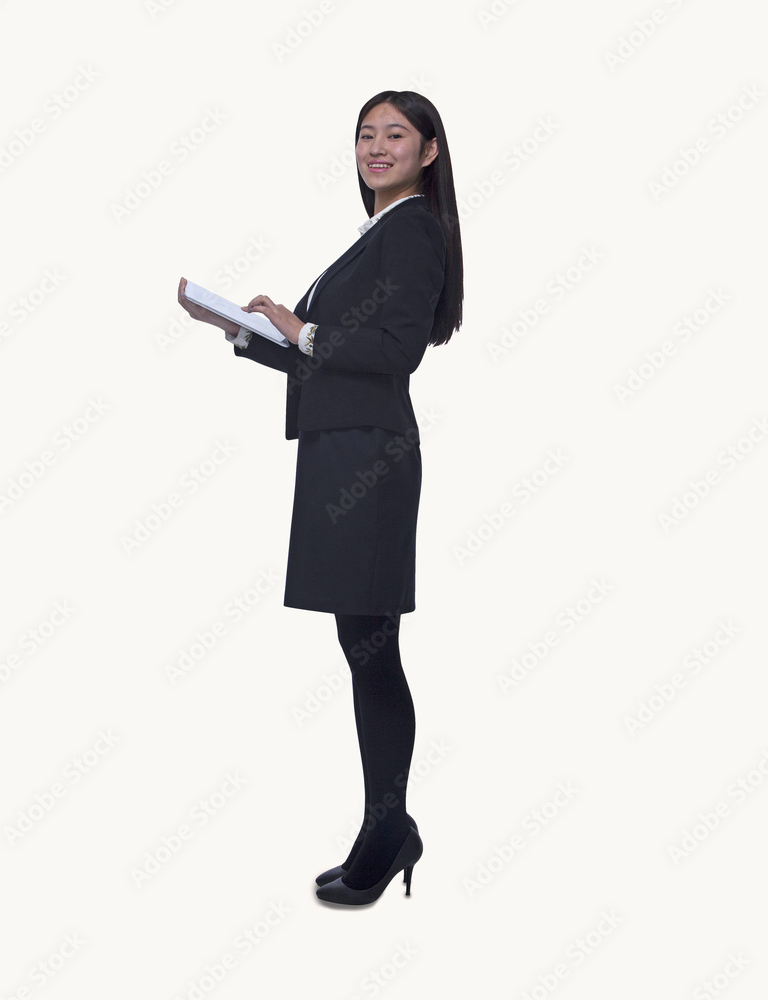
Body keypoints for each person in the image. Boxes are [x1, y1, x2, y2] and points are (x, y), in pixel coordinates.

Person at [177, 90, 463, 905]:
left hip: (368, 455)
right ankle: (386, 827)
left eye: (395, 135)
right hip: (344, 452)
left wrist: (302, 332)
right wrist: (240, 329)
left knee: (372, 651)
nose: (376, 147)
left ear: (429, 152)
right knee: (361, 649)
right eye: (365, 134)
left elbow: (394, 350)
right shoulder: (377, 232)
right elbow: (328, 359)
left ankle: (388, 829)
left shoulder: (411, 228)